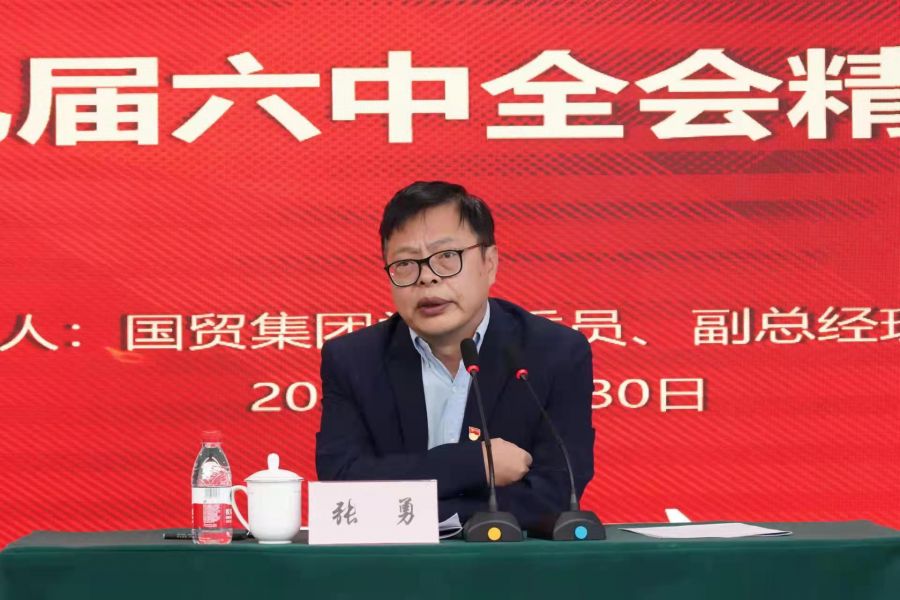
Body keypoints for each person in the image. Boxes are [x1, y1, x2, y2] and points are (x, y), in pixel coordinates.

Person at [315, 181, 595, 530]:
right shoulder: (353, 360)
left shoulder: (554, 353)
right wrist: (476, 463)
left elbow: (555, 495)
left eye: (447, 257)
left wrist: (409, 503)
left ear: (489, 264)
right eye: (405, 263)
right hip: (389, 558)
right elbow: (343, 488)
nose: (426, 278)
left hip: (505, 559)